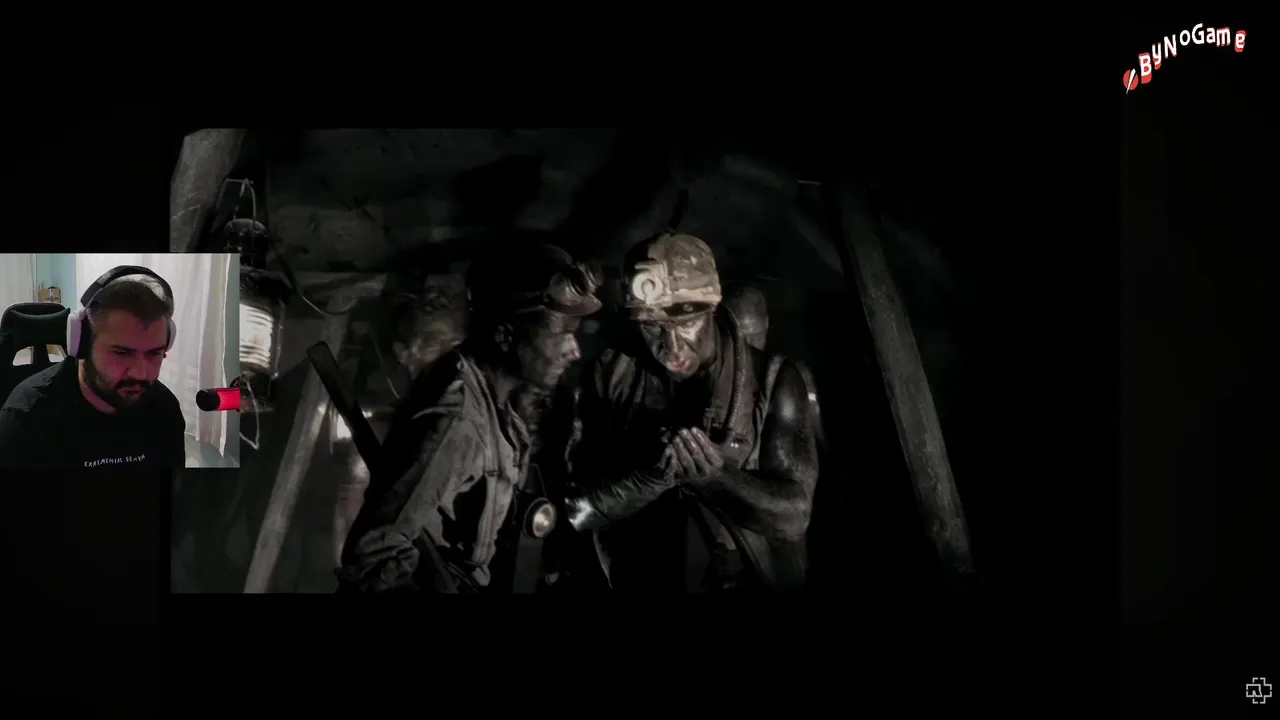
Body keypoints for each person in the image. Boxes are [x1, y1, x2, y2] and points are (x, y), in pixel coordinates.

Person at [336, 243, 602, 593]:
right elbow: (375, 556)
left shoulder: (499, 406)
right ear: (506, 335)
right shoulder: (457, 421)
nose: (574, 350)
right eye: (561, 335)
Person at [567, 233, 820, 591]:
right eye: (652, 326)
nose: (671, 347)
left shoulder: (773, 380)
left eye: (685, 322)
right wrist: (648, 479)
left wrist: (715, 476)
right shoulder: (608, 377)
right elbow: (578, 511)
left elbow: (794, 518)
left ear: (712, 308)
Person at [0, 266, 186, 469]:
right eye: (122, 353)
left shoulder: (164, 409)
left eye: (154, 353)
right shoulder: (26, 420)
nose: (141, 374)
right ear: (82, 344)